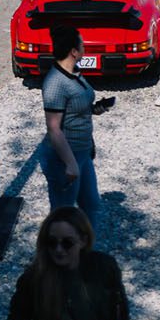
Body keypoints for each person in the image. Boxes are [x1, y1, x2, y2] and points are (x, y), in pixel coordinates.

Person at [7, 206, 145, 320]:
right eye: (52, 242)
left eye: (67, 243)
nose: (58, 249)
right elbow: (17, 317)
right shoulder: (35, 277)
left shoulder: (103, 269)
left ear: (83, 241)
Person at [39, 26, 102, 224]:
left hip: (83, 153)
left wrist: (95, 109)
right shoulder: (55, 84)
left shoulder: (74, 73)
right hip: (64, 160)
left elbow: (75, 108)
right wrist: (71, 164)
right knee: (62, 214)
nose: (84, 47)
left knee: (91, 206)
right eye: (82, 44)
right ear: (74, 52)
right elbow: (54, 128)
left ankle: (87, 244)